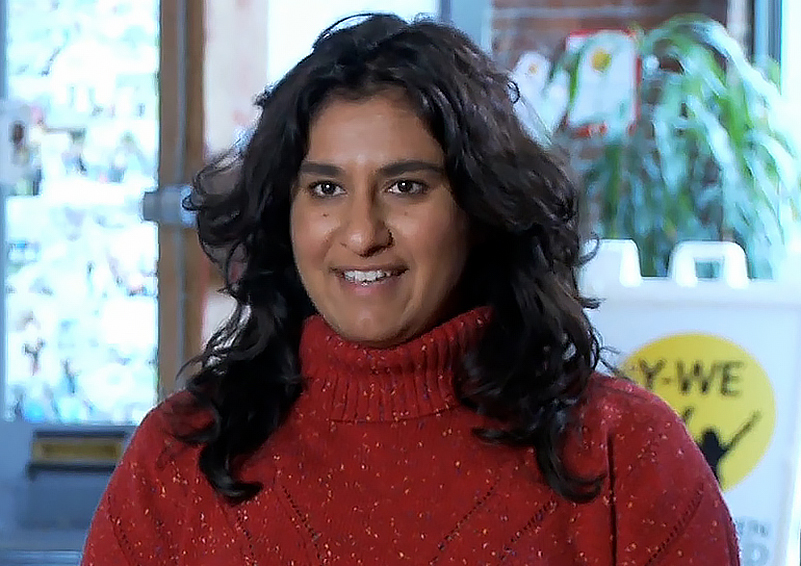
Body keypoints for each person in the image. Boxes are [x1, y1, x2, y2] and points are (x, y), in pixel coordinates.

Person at [81, 13, 739, 565]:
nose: (361, 233)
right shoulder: (178, 456)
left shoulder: (625, 453)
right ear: (285, 211)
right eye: (326, 189)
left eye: (405, 187)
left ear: (480, 209)